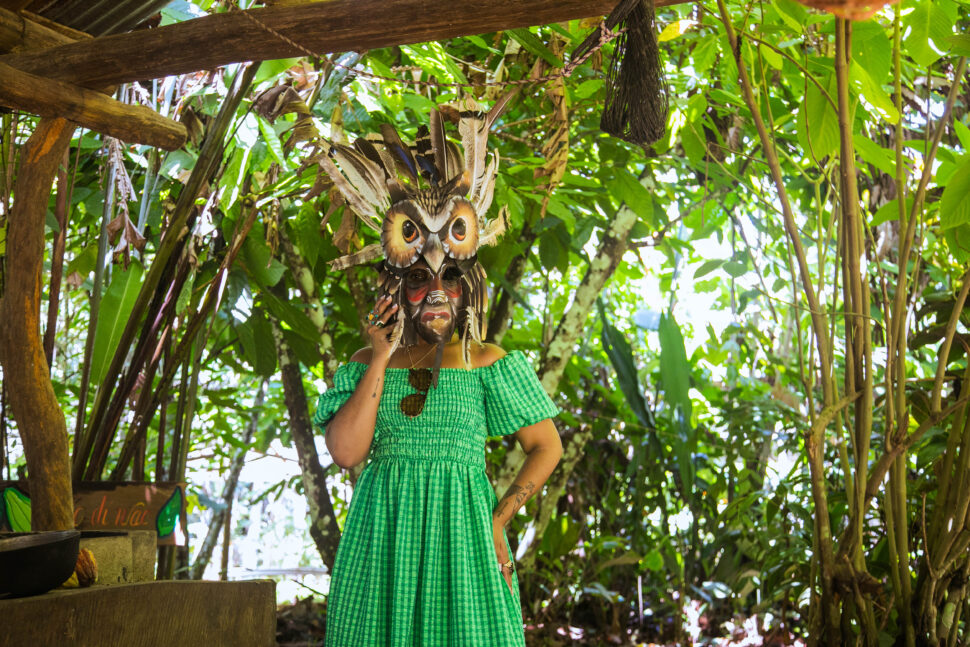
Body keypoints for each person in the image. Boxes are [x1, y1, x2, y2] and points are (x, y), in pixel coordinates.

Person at [311, 97, 563, 646]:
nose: (438, 293)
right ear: (397, 287)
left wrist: (499, 520)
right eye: (421, 280)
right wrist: (380, 354)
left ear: (466, 284)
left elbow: (548, 445)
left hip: (465, 543)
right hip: (385, 542)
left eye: (450, 277)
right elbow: (348, 453)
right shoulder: (363, 366)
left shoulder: (485, 362)